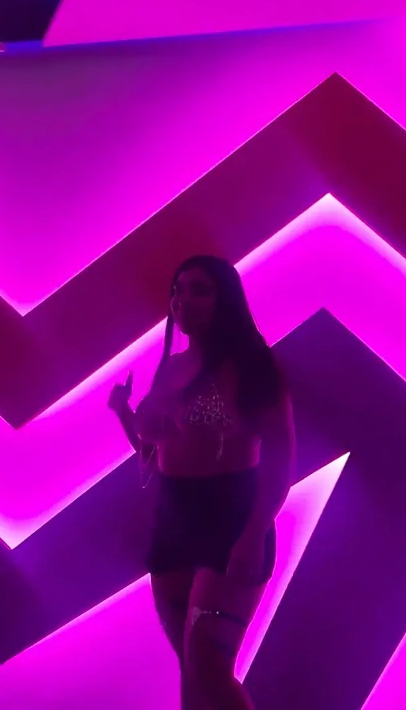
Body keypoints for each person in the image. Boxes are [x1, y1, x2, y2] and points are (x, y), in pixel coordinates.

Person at [108, 255, 295, 709]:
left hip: (230, 516)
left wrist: (255, 532)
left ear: (224, 299)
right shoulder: (171, 368)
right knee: (192, 673)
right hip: (174, 520)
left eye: (198, 289)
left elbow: (282, 455)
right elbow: (153, 451)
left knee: (209, 667)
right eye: (177, 290)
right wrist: (123, 413)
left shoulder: (253, 365)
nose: (182, 299)